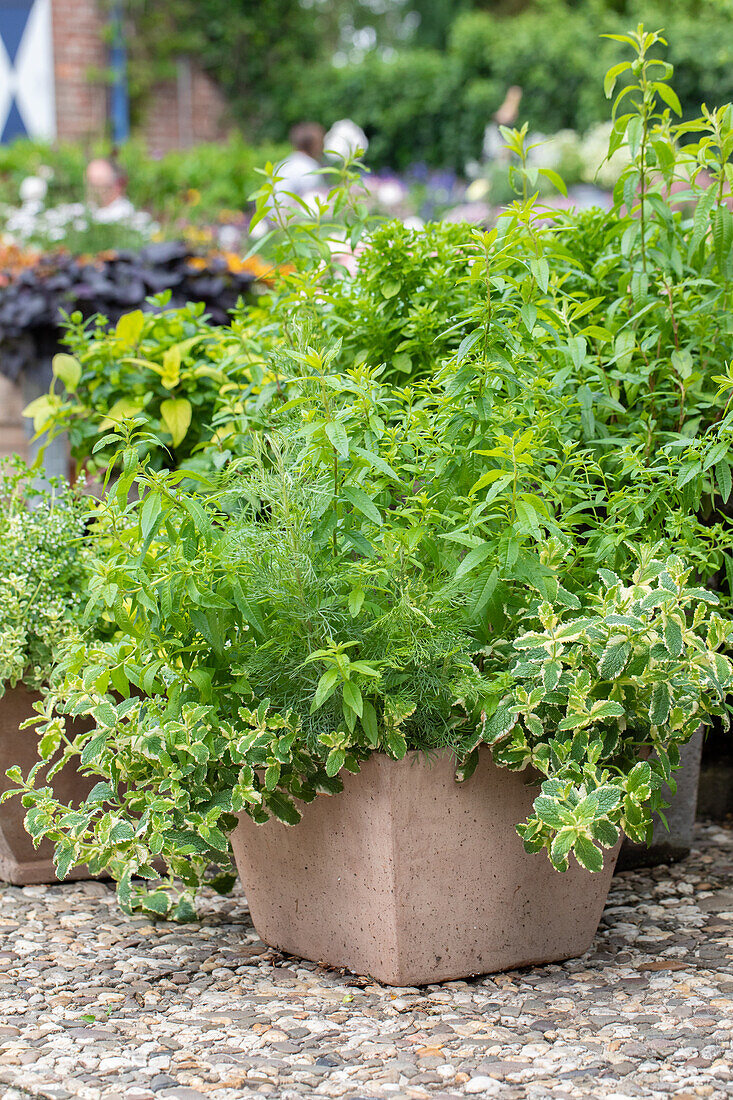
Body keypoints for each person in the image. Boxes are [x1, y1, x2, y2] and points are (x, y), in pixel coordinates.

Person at [273, 123, 326, 204]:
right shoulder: (308, 167)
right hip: (288, 215)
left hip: (273, 215)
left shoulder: (284, 163)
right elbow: (315, 203)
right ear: (314, 145)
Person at [85, 158, 136, 223]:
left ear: (117, 185)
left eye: (99, 186)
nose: (93, 191)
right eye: (90, 185)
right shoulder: (82, 210)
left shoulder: (127, 216)